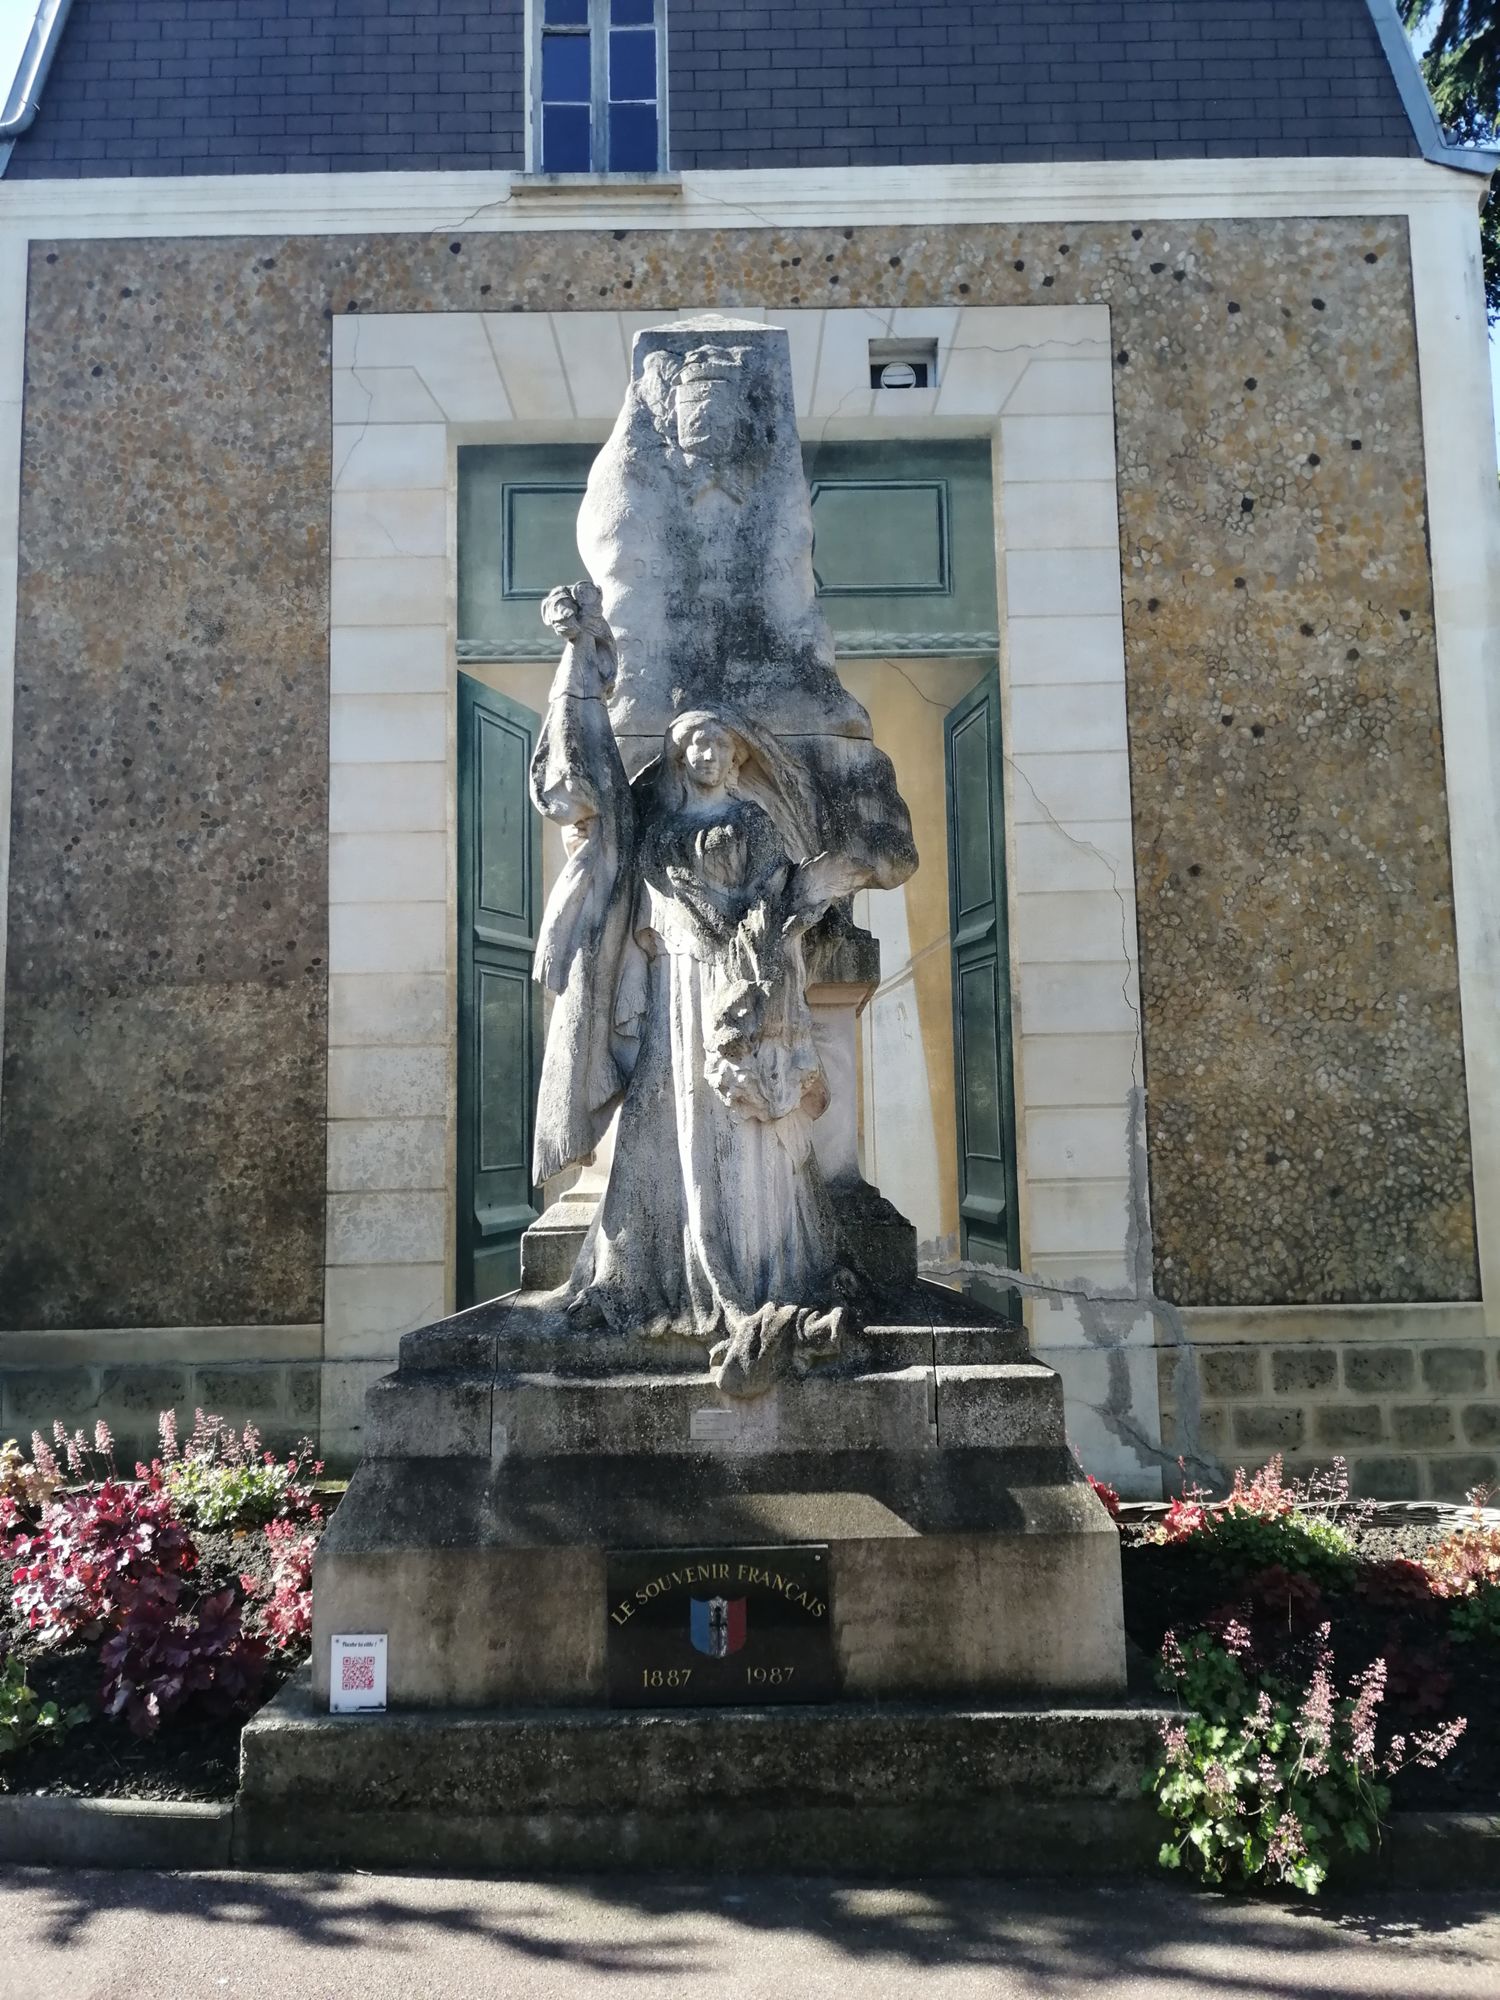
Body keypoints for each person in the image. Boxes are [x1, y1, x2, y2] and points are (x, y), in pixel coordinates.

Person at [563, 708, 862, 1394]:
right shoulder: (661, 834)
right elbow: (643, 918)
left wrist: (769, 932)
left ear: (735, 757)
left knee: (738, 1126)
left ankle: (753, 1258)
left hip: (739, 989)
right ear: (679, 757)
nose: (704, 752)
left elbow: (778, 900)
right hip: (678, 990)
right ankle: (666, 1261)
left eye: (717, 742)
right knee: (671, 1115)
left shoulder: (754, 825)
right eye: (692, 742)